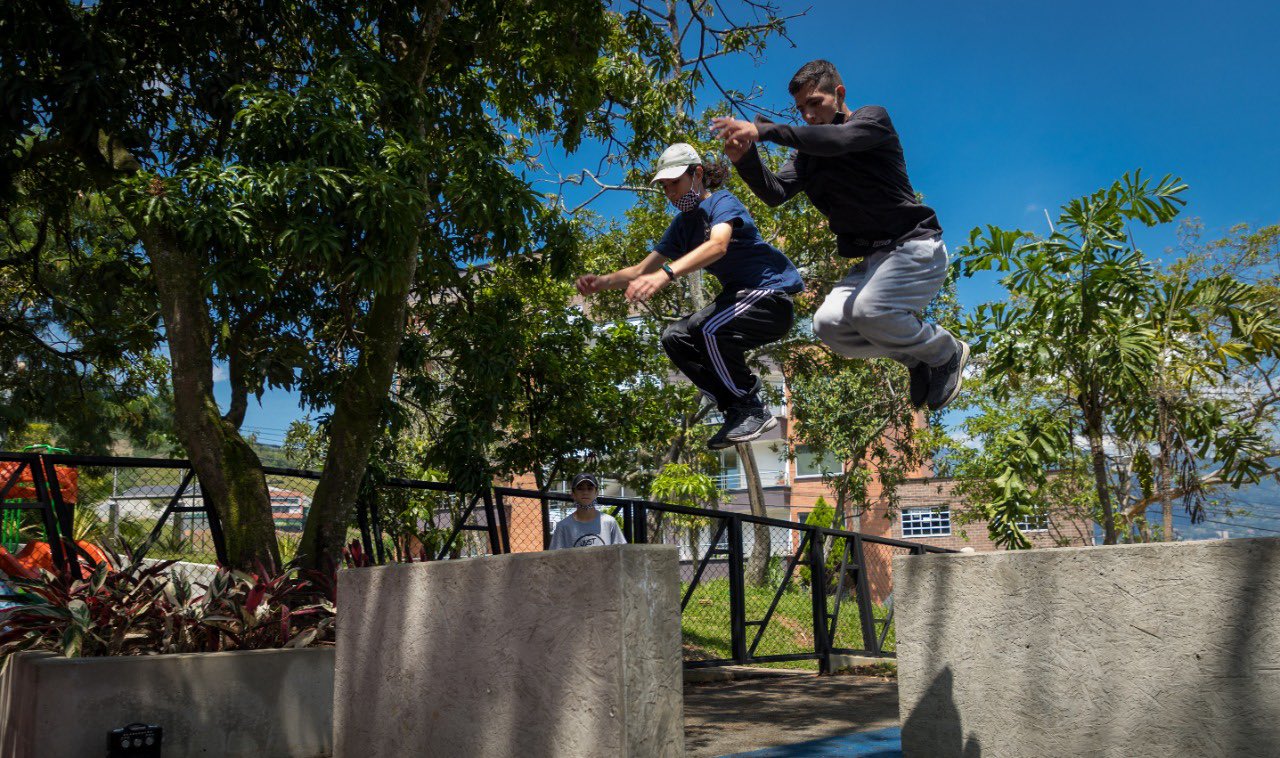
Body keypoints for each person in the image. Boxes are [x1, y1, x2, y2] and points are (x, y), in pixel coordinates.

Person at [712, 59, 969, 411]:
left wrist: (767, 131)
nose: (807, 116)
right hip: (872, 260)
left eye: (814, 103)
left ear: (839, 93)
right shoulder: (807, 158)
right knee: (829, 326)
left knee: (868, 311)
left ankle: (945, 350)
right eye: (801, 109)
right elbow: (775, 192)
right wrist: (746, 159)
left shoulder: (871, 121)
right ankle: (917, 358)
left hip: (914, 245)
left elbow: (840, 140)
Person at [575, 142, 804, 448]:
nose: (671, 194)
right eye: (666, 188)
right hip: (738, 301)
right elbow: (641, 270)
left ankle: (751, 407)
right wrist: (600, 283)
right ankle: (735, 409)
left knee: (705, 328)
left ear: (697, 174)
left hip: (769, 297)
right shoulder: (683, 226)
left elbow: (718, 245)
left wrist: (667, 274)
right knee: (675, 337)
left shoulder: (722, 202)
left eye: (675, 184)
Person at [549, 473, 627, 550]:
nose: (585, 492)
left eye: (590, 488)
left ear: (596, 493)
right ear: (573, 494)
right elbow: (555, 558)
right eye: (580, 488)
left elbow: (622, 553)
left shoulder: (609, 522)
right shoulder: (563, 526)